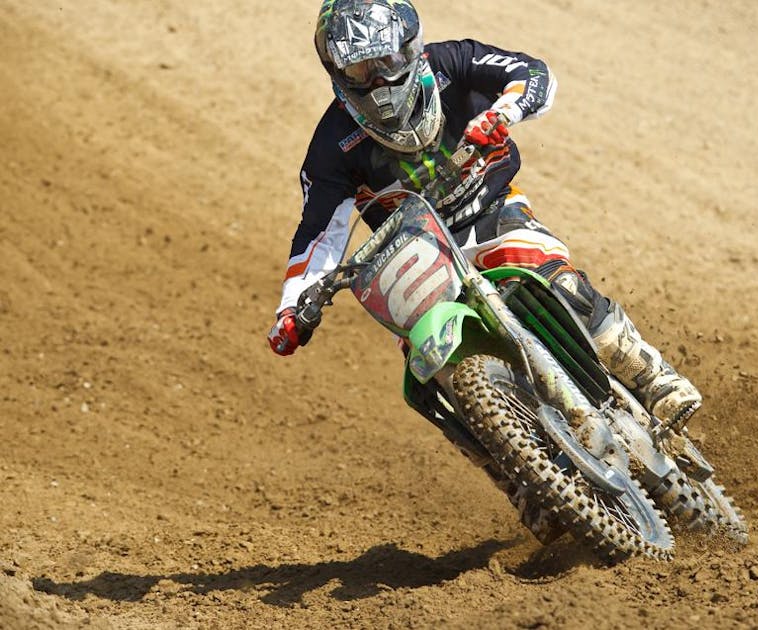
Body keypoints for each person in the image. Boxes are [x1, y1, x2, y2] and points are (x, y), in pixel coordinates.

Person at [268, 0, 701, 447]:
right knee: (431, 370)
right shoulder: (332, 146)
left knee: (557, 283)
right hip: (415, 252)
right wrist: (292, 309)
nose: (378, 80)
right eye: (361, 70)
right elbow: (318, 235)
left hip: (490, 210)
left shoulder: (452, 62)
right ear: (337, 72)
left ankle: (654, 378)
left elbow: (533, 74)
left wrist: (503, 113)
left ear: (410, 48)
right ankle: (507, 466)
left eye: (386, 60)